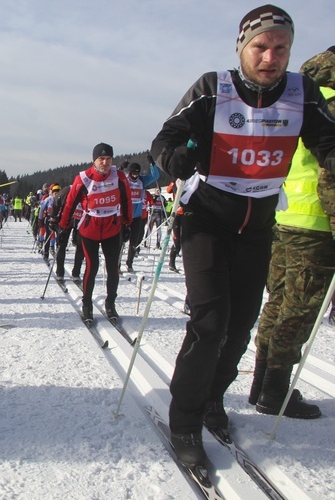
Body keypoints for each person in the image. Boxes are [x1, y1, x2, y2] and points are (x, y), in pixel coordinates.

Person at [150, 5, 335, 468]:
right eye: (261, 46)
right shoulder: (214, 88)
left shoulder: (303, 91)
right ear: (242, 47)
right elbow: (164, 139)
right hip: (207, 219)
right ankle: (186, 421)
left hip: (258, 227)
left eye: (281, 47)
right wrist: (175, 159)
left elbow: (328, 141)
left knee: (240, 326)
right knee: (210, 323)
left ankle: (214, 397)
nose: (270, 56)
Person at [251, 47, 335, 420]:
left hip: (285, 217)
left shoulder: (296, 99)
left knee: (279, 301)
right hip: (317, 223)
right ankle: (275, 391)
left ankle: (261, 382)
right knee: (299, 312)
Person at [58, 143, 132, 322]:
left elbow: (126, 200)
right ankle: (87, 304)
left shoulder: (119, 177)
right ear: (94, 160)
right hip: (89, 229)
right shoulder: (83, 178)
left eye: (108, 159)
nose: (105, 163)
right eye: (101, 159)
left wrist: (127, 223)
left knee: (113, 268)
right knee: (92, 267)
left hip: (112, 229)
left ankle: (110, 304)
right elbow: (70, 204)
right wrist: (63, 226)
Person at [124, 161, 160, 272]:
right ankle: (116, 263)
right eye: (133, 174)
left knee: (134, 241)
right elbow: (113, 176)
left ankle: (129, 263)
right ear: (129, 172)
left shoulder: (142, 180)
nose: (135, 176)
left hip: (137, 216)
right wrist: (121, 167)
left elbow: (155, 176)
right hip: (124, 215)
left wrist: (152, 164)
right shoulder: (124, 179)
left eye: (137, 174)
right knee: (121, 241)